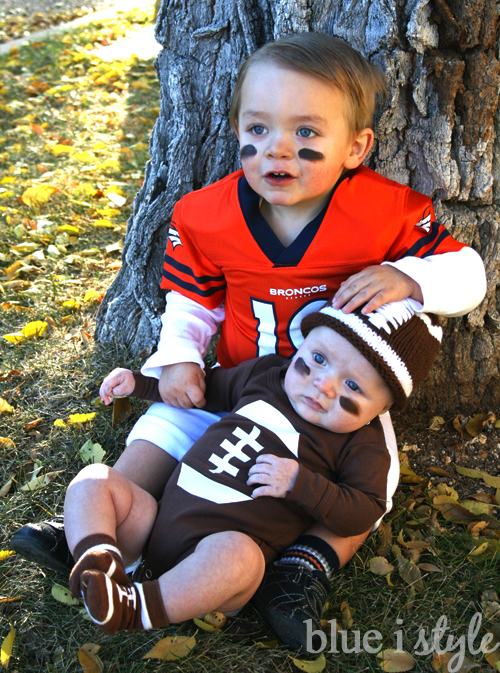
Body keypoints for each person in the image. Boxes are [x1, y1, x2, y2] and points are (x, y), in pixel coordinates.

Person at [11, 32, 486, 651]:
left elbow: (470, 274)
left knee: (377, 477)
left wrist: (411, 276)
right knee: (162, 422)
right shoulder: (207, 215)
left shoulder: (386, 213)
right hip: (241, 376)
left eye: (307, 134)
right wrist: (179, 358)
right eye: (258, 129)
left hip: (337, 394)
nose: (277, 150)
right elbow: (191, 300)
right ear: (236, 127)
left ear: (357, 147)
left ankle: (304, 567)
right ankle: (107, 538)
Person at [63, 299, 441, 645]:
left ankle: (133, 608)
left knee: (239, 556)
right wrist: (144, 384)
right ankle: (102, 564)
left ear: (381, 408)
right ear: (302, 345)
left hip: (218, 563)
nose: (323, 385)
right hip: (154, 523)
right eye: (319, 359)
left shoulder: (363, 445)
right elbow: (204, 390)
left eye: (353, 386)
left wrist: (301, 484)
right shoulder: (267, 374)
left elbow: (363, 509)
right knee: (95, 479)